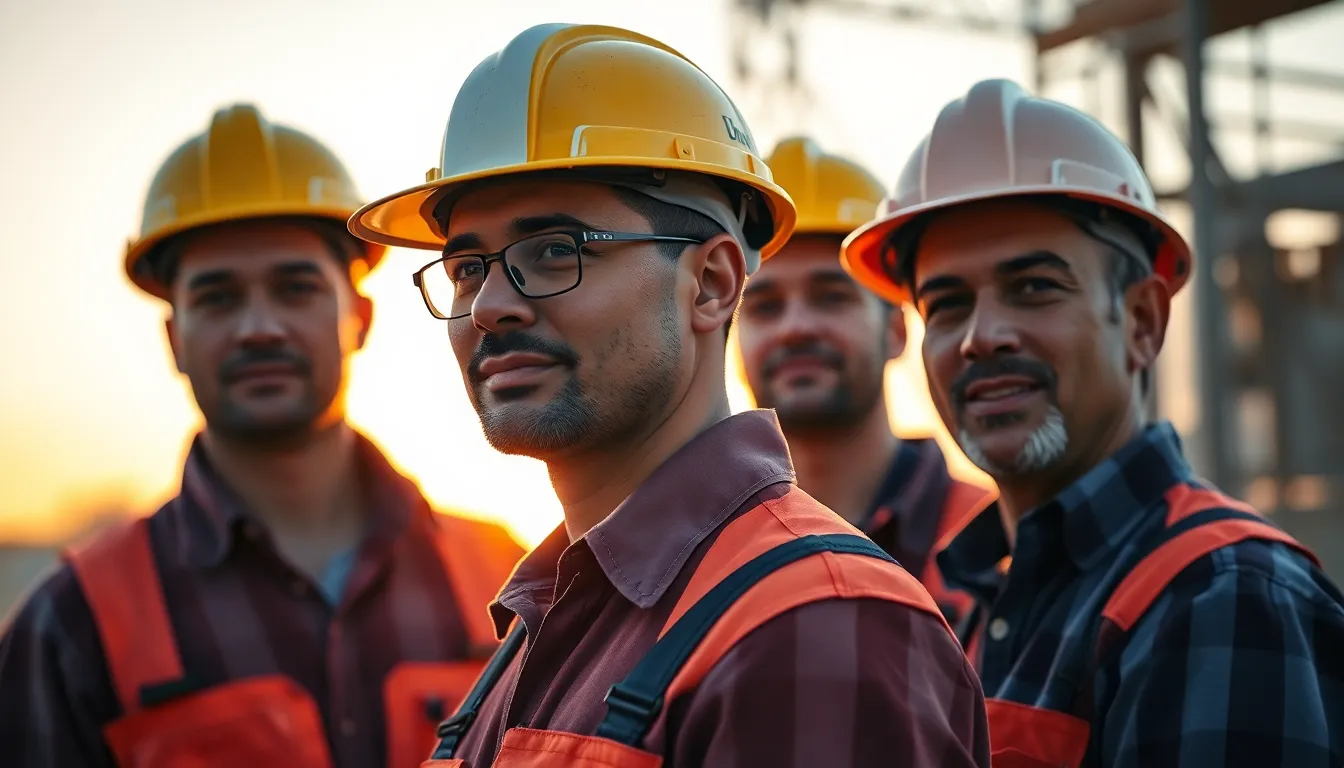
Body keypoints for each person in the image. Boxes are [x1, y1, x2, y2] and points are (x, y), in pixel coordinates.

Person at [347, 23, 990, 768]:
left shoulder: (814, 625)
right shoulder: (546, 617)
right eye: (466, 268)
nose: (490, 305)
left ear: (712, 284)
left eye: (554, 251)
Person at [0, 103, 526, 768]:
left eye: (295, 288)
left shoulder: (508, 579)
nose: (259, 327)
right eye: (218, 297)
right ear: (174, 340)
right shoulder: (71, 625)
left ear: (360, 318)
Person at [841, 78, 1344, 768]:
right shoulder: (985, 605)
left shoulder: (1222, 596)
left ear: (1141, 322)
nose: (980, 337)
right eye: (948, 303)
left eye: (1034, 287)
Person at [736, 136, 994, 631]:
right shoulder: (702, 552)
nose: (795, 327)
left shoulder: (995, 543)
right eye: (765, 305)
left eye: (831, 296)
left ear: (896, 330)